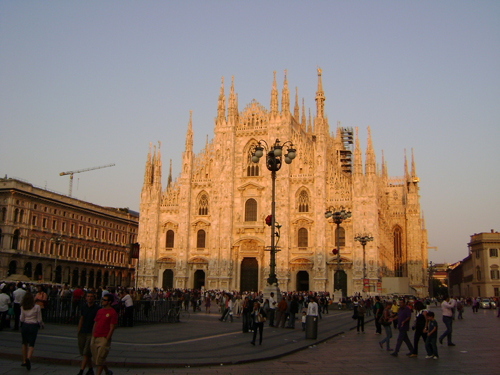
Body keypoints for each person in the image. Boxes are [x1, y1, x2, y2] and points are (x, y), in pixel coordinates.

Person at [91, 294, 117, 375]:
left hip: (104, 338)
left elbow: (112, 327)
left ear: (109, 302)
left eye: (104, 300)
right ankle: (107, 371)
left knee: (100, 359)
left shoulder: (113, 313)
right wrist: (93, 335)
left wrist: (107, 339)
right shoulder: (99, 311)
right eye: (102, 299)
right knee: (97, 359)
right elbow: (95, 323)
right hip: (95, 336)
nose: (102, 301)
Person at [77, 291, 101, 375]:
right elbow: (81, 319)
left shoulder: (97, 308)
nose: (90, 298)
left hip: (91, 332)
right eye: (88, 296)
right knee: (83, 352)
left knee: (86, 352)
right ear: (86, 298)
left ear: (94, 298)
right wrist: (79, 330)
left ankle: (81, 371)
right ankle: (90, 369)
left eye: (91, 296)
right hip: (83, 331)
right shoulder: (84, 307)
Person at [20, 291, 44, 370]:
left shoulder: (23, 307)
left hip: (25, 325)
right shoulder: (37, 307)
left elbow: (21, 319)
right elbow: (39, 319)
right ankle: (28, 358)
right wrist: (41, 325)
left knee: (24, 343)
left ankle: (23, 360)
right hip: (33, 326)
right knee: (31, 344)